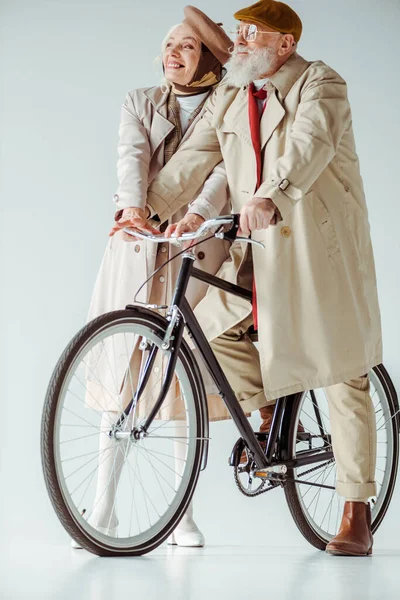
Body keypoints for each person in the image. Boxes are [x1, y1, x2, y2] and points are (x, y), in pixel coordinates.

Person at [140, 0, 382, 556]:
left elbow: (311, 144)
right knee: (207, 333)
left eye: (254, 34)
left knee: (341, 368)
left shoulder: (320, 84)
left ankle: (355, 508)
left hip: (318, 251)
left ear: (285, 45)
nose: (241, 41)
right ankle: (277, 412)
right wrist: (144, 209)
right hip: (259, 251)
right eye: (240, 32)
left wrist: (271, 194)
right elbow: (196, 157)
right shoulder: (232, 91)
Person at [72, 6, 233, 549]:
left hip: (196, 248)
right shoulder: (139, 101)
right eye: (168, 43)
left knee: (185, 380)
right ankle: (106, 509)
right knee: (121, 374)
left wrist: (199, 214)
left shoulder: (231, 106)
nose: (173, 52)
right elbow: (130, 158)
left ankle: (180, 514)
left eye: (187, 46)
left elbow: (224, 172)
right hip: (140, 246)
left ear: (209, 58)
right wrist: (131, 208)